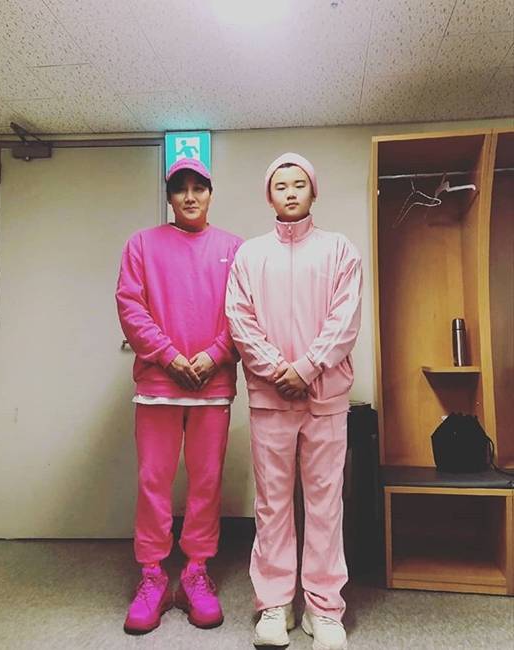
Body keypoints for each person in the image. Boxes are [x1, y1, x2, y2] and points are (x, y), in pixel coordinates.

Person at [226, 153, 362, 650]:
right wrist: (275, 370)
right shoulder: (249, 255)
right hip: (270, 401)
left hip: (325, 398)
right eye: (280, 185)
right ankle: (275, 604)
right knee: (272, 505)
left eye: (298, 183)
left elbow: (345, 320)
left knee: (325, 504)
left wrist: (305, 368)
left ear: (313, 191)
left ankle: (324, 609)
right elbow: (239, 319)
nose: (289, 191)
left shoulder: (339, 250)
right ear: (269, 196)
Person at [116, 157, 243, 635]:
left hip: (213, 387)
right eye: (180, 188)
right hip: (158, 387)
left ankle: (194, 573)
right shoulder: (142, 245)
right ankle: (152, 575)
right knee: (154, 480)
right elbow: (130, 305)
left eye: (198, 187)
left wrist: (214, 355)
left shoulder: (234, 248)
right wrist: (169, 357)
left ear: (210, 193)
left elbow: (243, 312)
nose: (190, 196)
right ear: (169, 197)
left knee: (206, 481)